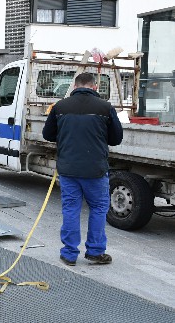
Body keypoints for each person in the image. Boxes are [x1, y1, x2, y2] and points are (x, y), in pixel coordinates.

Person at [42, 72, 123, 267]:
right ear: (94, 87)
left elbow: (47, 134)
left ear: (74, 86)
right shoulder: (106, 108)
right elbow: (116, 139)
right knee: (98, 208)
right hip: (95, 170)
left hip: (68, 169)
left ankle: (69, 254)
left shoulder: (60, 107)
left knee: (71, 209)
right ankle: (95, 252)